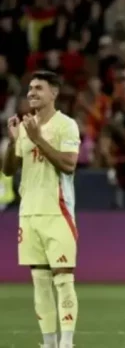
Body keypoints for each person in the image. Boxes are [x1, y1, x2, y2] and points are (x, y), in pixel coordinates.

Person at [3, 71, 81, 348]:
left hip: (57, 212)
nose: (31, 93)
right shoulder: (25, 127)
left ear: (54, 93)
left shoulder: (66, 126)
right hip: (29, 214)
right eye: (30, 89)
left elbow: (69, 165)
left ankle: (67, 343)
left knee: (63, 279)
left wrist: (37, 139)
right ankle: (49, 343)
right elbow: (9, 170)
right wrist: (13, 141)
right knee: (39, 281)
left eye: (39, 88)